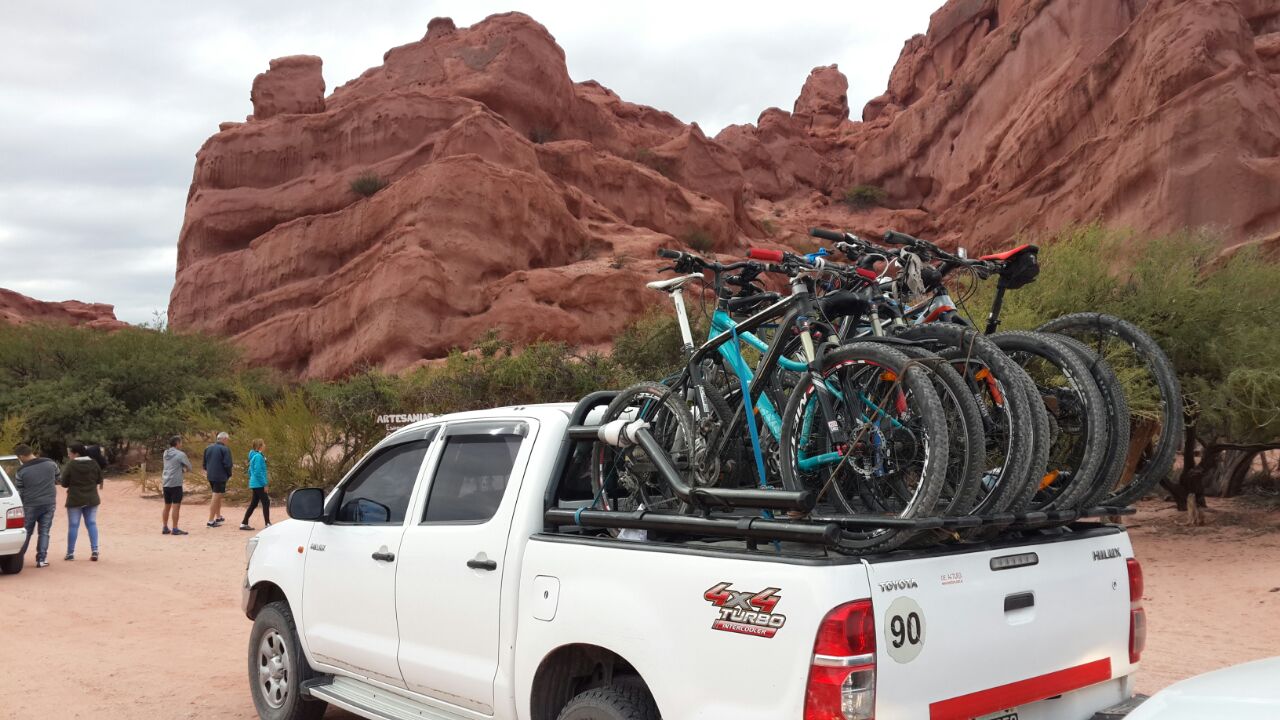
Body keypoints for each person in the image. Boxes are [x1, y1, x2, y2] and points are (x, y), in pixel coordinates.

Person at [14, 444, 58, 568]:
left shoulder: (21, 471)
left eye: (19, 458)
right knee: (44, 532)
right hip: (49, 502)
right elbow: (57, 477)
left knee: (26, 532)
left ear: (22, 456)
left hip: (30, 504)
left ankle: (18, 559)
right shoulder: (51, 463)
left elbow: (20, 489)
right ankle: (41, 559)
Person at [60, 443, 103, 561]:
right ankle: (95, 550)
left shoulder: (71, 465)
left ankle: (70, 553)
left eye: (70, 452)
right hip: (92, 497)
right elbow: (99, 479)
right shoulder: (94, 463)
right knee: (92, 523)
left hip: (75, 498)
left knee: (73, 525)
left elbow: (64, 483)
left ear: (76, 453)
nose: (68, 455)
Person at [161, 435, 191, 536]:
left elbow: (172, 464)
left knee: (167, 506)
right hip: (176, 483)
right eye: (181, 443)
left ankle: (165, 527)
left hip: (166, 482)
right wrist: (183, 468)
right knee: (176, 506)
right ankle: (175, 528)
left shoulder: (165, 453)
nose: (181, 445)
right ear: (177, 443)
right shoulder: (181, 454)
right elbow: (189, 466)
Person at [202, 432, 233, 528]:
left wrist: (210, 471)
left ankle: (218, 516)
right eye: (227, 439)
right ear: (224, 439)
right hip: (220, 476)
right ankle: (210, 521)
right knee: (216, 496)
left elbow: (204, 464)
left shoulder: (208, 448)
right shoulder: (225, 449)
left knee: (218, 495)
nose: (227, 441)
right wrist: (229, 474)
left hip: (211, 475)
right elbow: (228, 464)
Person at [241, 439, 270, 531]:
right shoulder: (258, 457)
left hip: (255, 483)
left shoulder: (254, 456)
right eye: (263, 444)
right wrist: (264, 484)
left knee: (254, 503)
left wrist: (252, 479)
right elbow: (257, 472)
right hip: (259, 484)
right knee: (266, 502)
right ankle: (267, 523)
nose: (265, 445)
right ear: (260, 446)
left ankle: (244, 523)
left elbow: (250, 471)